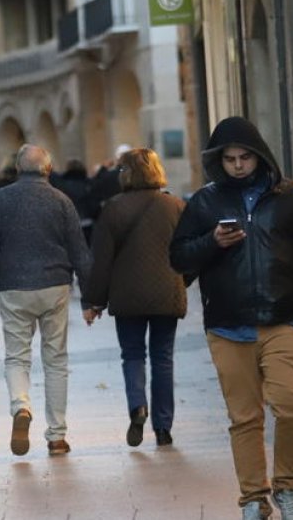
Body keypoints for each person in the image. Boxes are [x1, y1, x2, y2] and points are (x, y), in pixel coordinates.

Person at [170, 117, 293, 520]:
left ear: (260, 155)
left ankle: (287, 489)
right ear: (219, 161)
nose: (239, 165)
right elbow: (178, 258)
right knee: (244, 417)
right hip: (228, 326)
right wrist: (212, 242)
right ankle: (252, 499)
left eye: (245, 157)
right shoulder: (205, 202)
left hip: (283, 319)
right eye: (229, 159)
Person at [0, 144, 91, 457]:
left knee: (17, 356)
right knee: (56, 360)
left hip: (14, 287)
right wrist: (92, 298)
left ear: (17, 169)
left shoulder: (1, 199)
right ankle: (57, 436)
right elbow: (81, 253)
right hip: (55, 285)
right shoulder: (61, 200)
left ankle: (21, 408)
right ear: (48, 170)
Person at [80, 149, 186, 449]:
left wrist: (93, 302)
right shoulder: (175, 205)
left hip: (127, 296)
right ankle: (163, 428)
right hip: (167, 293)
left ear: (126, 173)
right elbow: (189, 253)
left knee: (133, 355)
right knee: (163, 358)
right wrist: (179, 281)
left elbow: (101, 261)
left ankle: (138, 407)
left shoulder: (113, 208)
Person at [51, 159, 97, 244]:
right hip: (87, 222)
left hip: (68, 223)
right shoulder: (89, 184)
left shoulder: (61, 184)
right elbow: (94, 205)